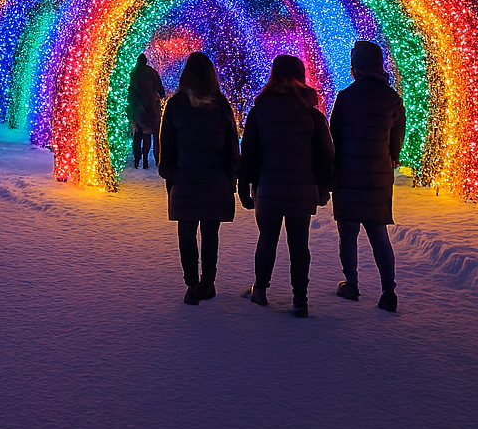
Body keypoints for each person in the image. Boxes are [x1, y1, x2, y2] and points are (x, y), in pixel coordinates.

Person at [238, 55, 335, 317]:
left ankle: (260, 290)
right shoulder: (311, 114)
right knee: (299, 243)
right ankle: (300, 299)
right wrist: (324, 186)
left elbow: (249, 152)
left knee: (267, 239)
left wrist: (244, 185)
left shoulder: (260, 111)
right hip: (301, 188)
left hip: (268, 186)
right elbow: (326, 152)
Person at [329, 40, 407, 312]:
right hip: (377, 178)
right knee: (378, 234)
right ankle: (388, 290)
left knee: (348, 234)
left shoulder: (345, 98)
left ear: (357, 68)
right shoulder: (393, 100)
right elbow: (395, 146)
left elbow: (333, 139)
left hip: (348, 177)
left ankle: (351, 284)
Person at [158, 51, 239, 305]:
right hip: (215, 182)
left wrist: (169, 175)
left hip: (184, 180)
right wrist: (231, 177)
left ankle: (192, 285)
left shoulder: (175, 105)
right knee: (211, 234)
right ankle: (208, 282)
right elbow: (231, 147)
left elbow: (166, 147)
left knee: (186, 233)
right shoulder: (221, 105)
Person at [128, 53, 166, 169]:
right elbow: (161, 90)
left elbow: (130, 91)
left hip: (138, 109)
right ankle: (157, 160)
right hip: (152, 108)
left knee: (141, 135)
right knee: (155, 135)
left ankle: (141, 160)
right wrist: (161, 96)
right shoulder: (152, 72)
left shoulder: (133, 73)